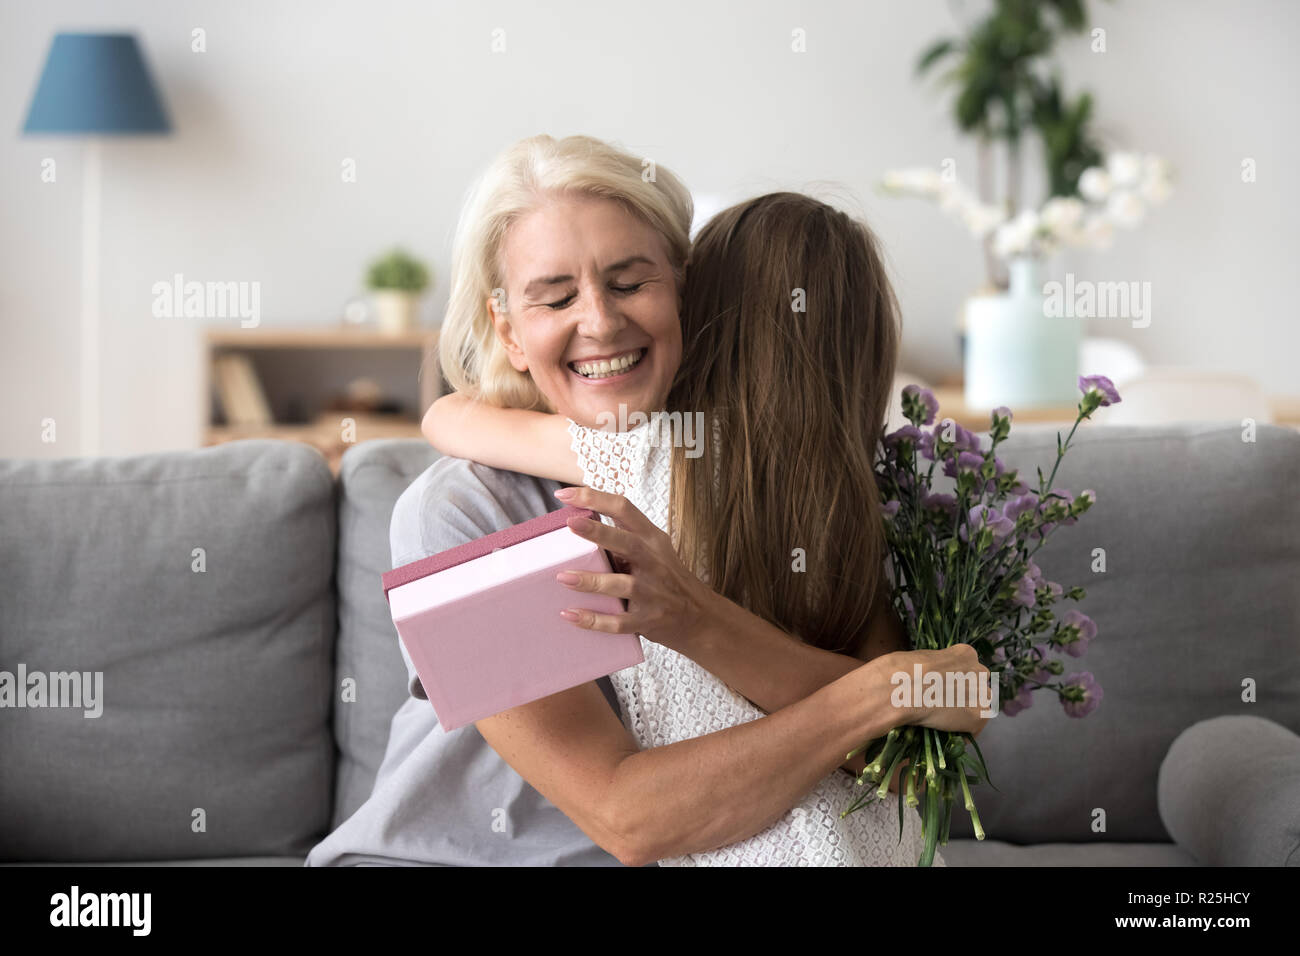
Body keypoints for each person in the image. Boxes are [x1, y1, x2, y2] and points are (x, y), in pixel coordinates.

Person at [306, 135, 986, 867]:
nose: (599, 322)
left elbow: (918, 752)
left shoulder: (772, 484)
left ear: (687, 289)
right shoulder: (468, 513)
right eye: (555, 296)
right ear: (507, 329)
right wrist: (878, 695)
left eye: (630, 283)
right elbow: (626, 817)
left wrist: (884, 694)